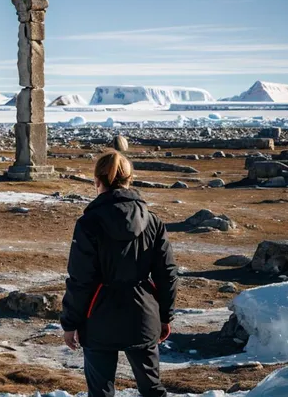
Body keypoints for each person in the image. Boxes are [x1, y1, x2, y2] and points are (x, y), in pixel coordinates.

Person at [61, 150, 178, 397]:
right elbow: (166, 273)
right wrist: (165, 315)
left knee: (101, 392)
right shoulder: (153, 221)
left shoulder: (88, 223)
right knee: (152, 389)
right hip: (144, 314)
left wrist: (70, 323)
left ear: (97, 181)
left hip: (98, 317)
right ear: (129, 179)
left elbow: (80, 279)